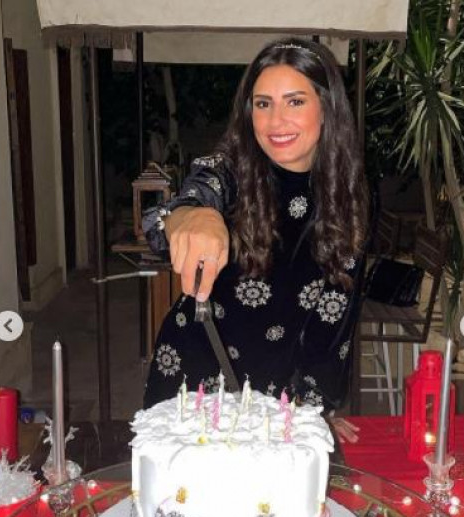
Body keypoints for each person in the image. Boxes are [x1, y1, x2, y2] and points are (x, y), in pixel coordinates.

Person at [142, 38, 369, 442]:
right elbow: (187, 201)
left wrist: (315, 408)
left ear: (327, 107)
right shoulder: (230, 169)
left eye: (295, 101)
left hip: (275, 391)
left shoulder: (350, 192)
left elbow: (335, 313)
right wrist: (191, 215)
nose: (276, 120)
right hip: (193, 376)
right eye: (263, 104)